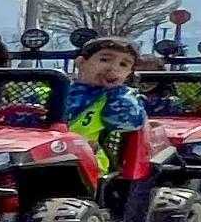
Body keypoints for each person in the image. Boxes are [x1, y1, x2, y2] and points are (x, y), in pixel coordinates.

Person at [62, 35, 149, 169]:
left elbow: (128, 122)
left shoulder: (121, 98)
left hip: (88, 164)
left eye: (123, 64)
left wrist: (117, 92)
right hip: (45, 154)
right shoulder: (58, 90)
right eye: (104, 60)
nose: (113, 68)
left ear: (129, 74)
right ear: (81, 62)